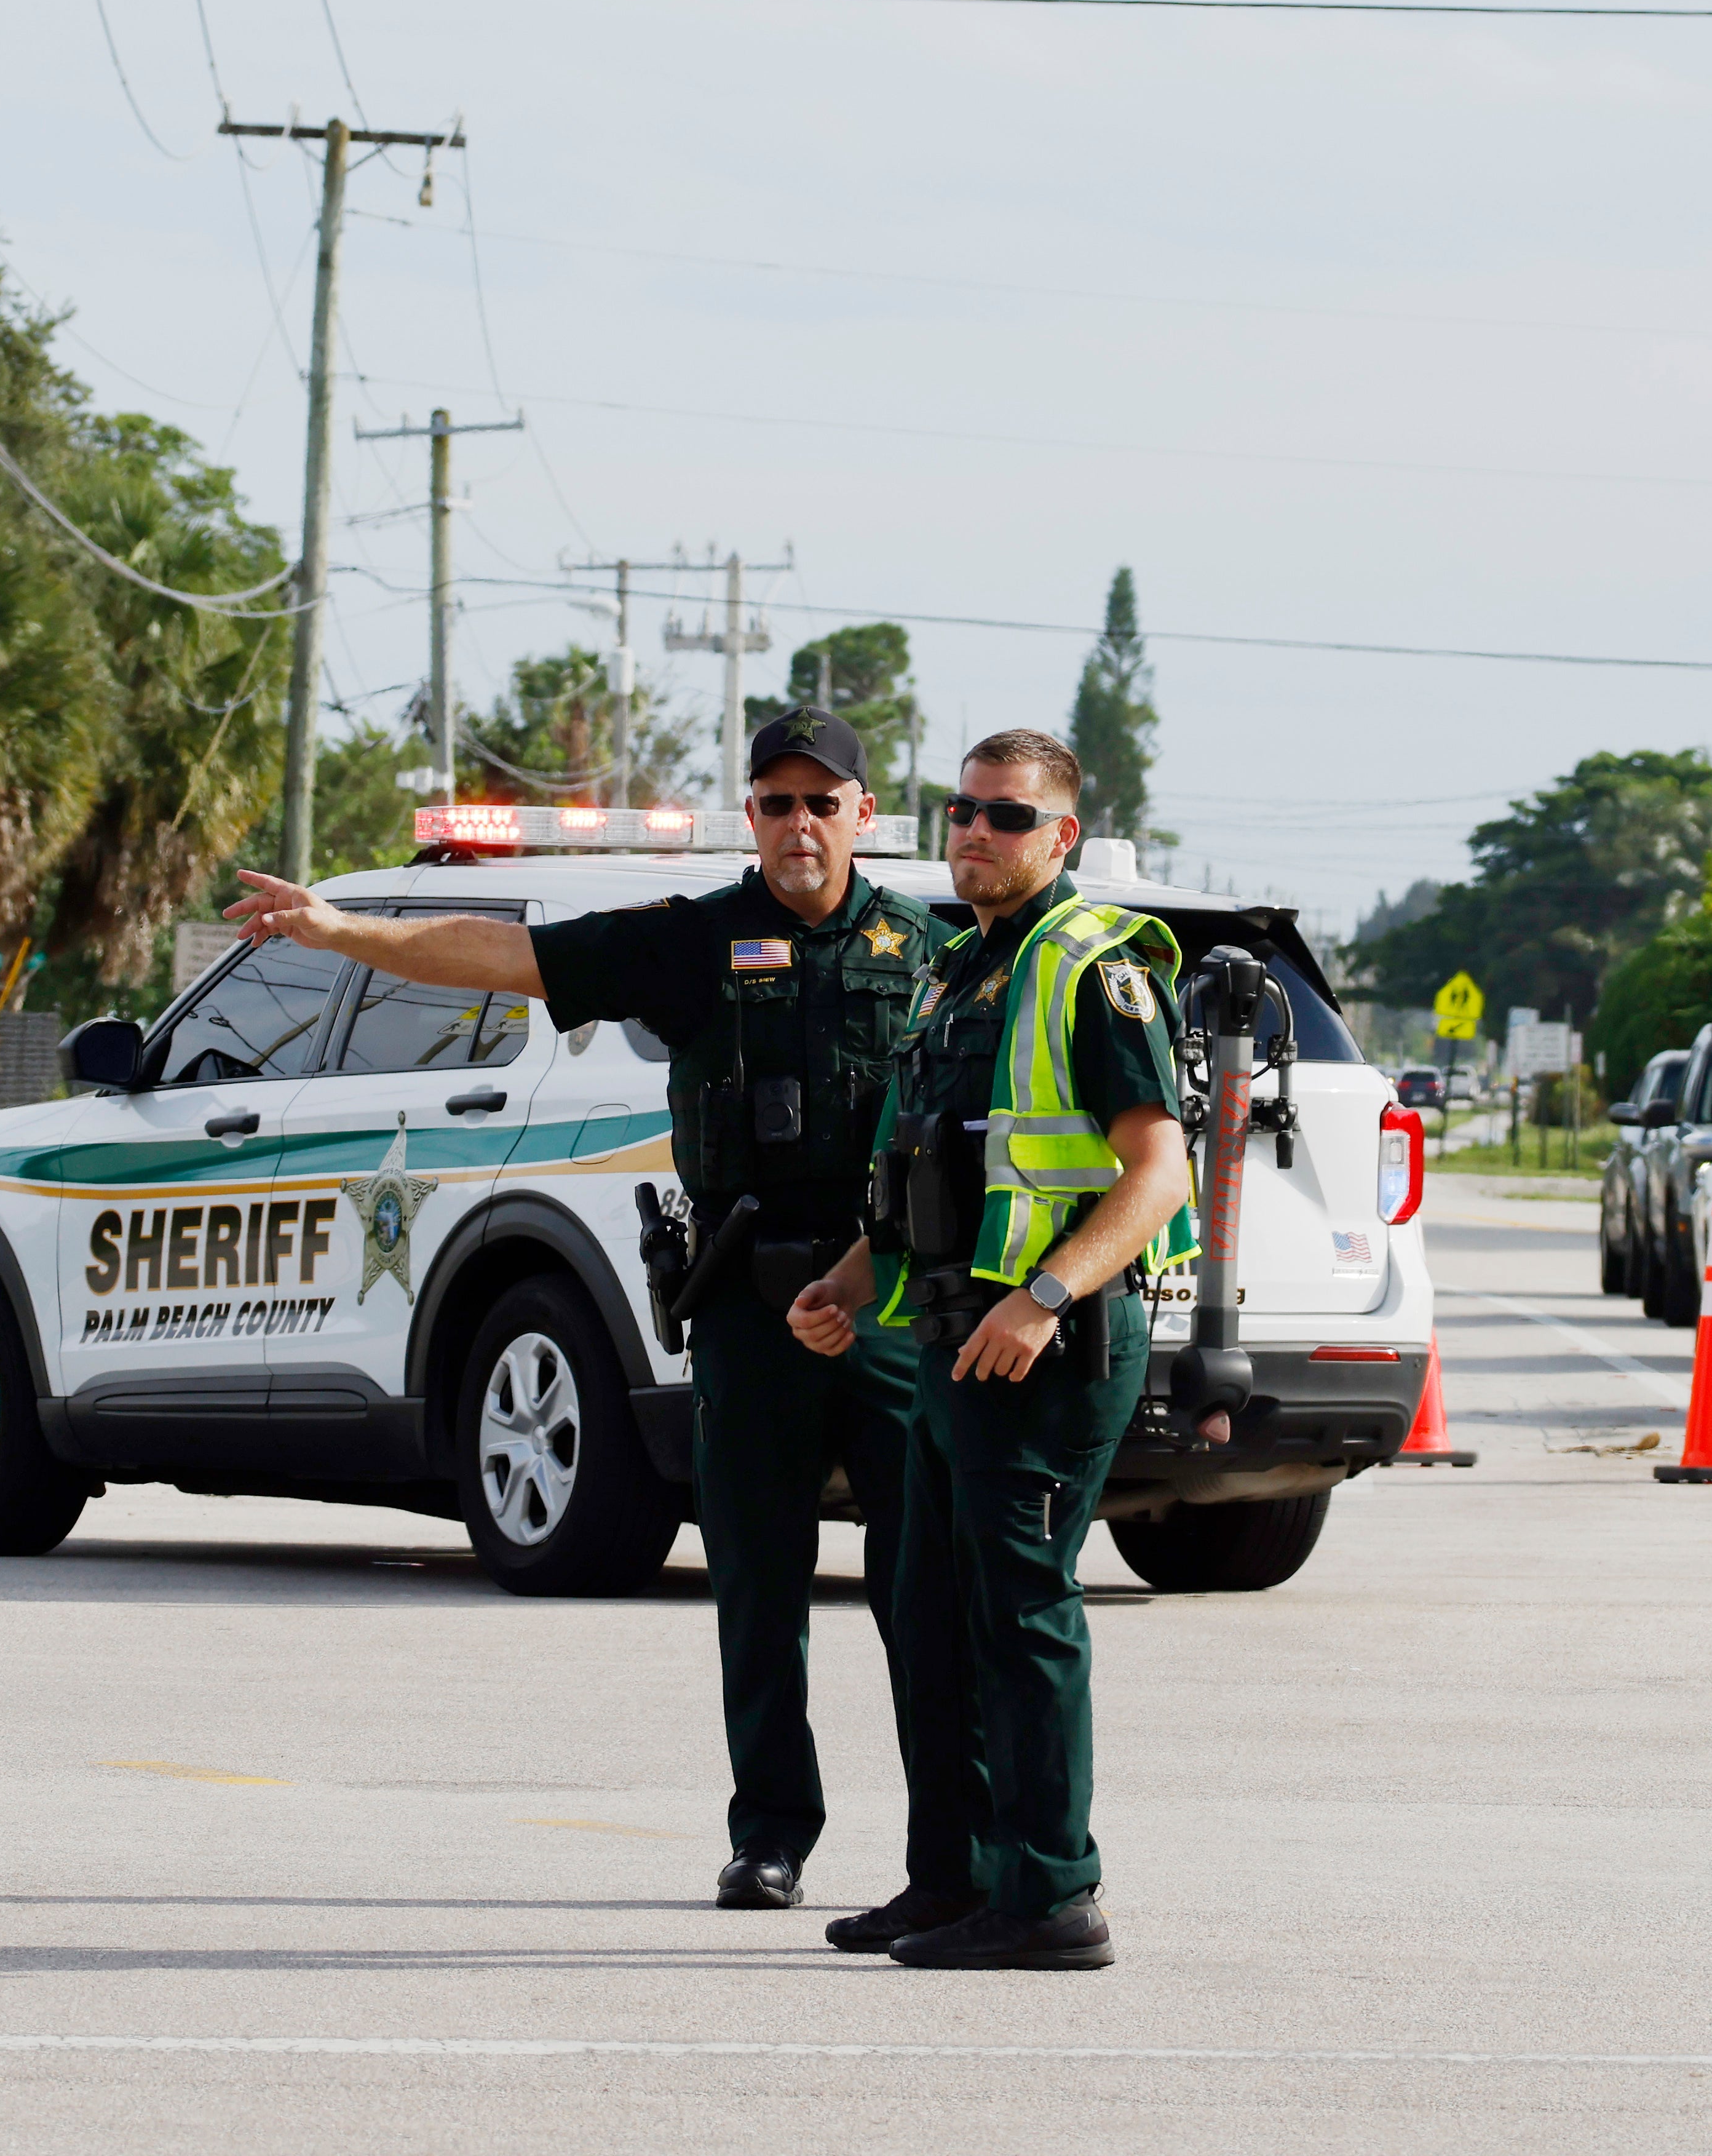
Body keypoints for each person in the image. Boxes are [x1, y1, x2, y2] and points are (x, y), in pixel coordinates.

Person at [221, 708, 945, 1918]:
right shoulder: (695, 941)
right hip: (750, 1306)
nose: (801, 823)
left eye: (825, 801)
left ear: (864, 815)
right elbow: (512, 958)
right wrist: (347, 931)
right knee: (759, 1592)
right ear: (752, 816)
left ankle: (950, 1854)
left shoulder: (930, 952)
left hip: (887, 1307)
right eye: (778, 801)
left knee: (923, 1591)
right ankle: (770, 1834)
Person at [783, 728, 1194, 1971]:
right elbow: (937, 1171)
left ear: (1060, 836)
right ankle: (955, 1877)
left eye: (1007, 817)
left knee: (1020, 1613)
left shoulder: (1091, 963)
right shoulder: (959, 968)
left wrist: (1048, 1295)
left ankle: (1054, 1892)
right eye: (960, 810)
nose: (974, 832)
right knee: (932, 1611)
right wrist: (850, 1283)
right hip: (950, 1331)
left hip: (1048, 1345)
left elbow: (1157, 1168)